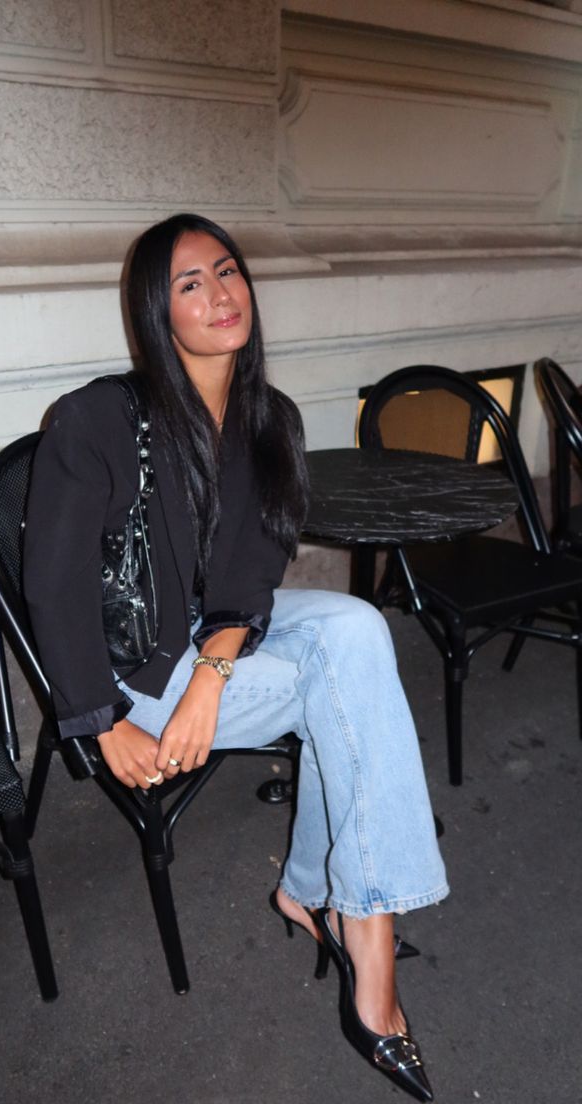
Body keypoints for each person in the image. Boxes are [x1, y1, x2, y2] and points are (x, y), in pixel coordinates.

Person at [23, 213, 448, 1102]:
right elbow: (53, 581)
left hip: (211, 645)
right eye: (190, 284)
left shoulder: (269, 419)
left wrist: (214, 676)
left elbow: (252, 575)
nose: (220, 295)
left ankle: (332, 901)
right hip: (132, 673)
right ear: (156, 311)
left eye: (227, 272)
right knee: (350, 686)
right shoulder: (103, 415)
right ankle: (356, 941)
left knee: (357, 633)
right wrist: (100, 727)